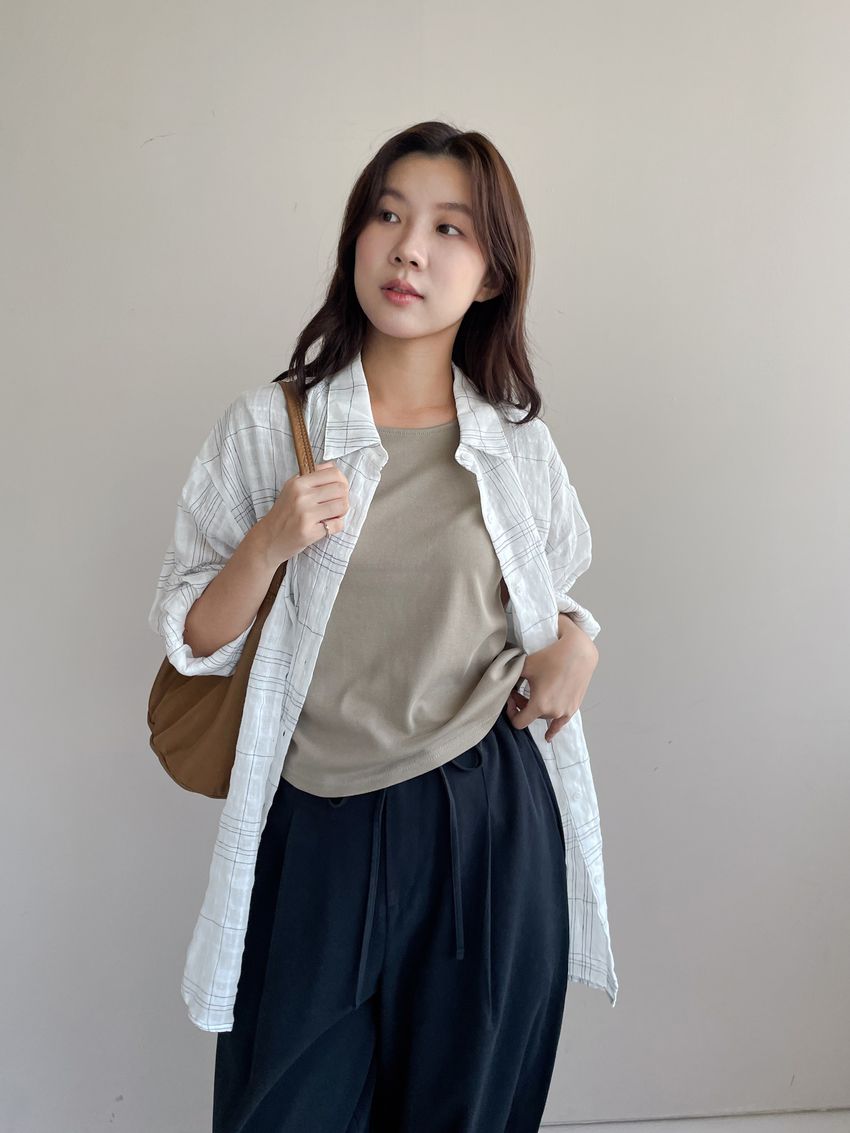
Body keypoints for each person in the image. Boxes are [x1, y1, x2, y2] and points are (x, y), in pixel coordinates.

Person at [148, 120, 618, 1133]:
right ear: (356, 238)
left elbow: (550, 596)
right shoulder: (267, 426)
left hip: (483, 822)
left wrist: (580, 641)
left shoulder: (515, 444)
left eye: (449, 228)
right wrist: (269, 542)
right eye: (389, 215)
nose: (409, 248)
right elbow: (193, 638)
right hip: (317, 826)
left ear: (491, 275)